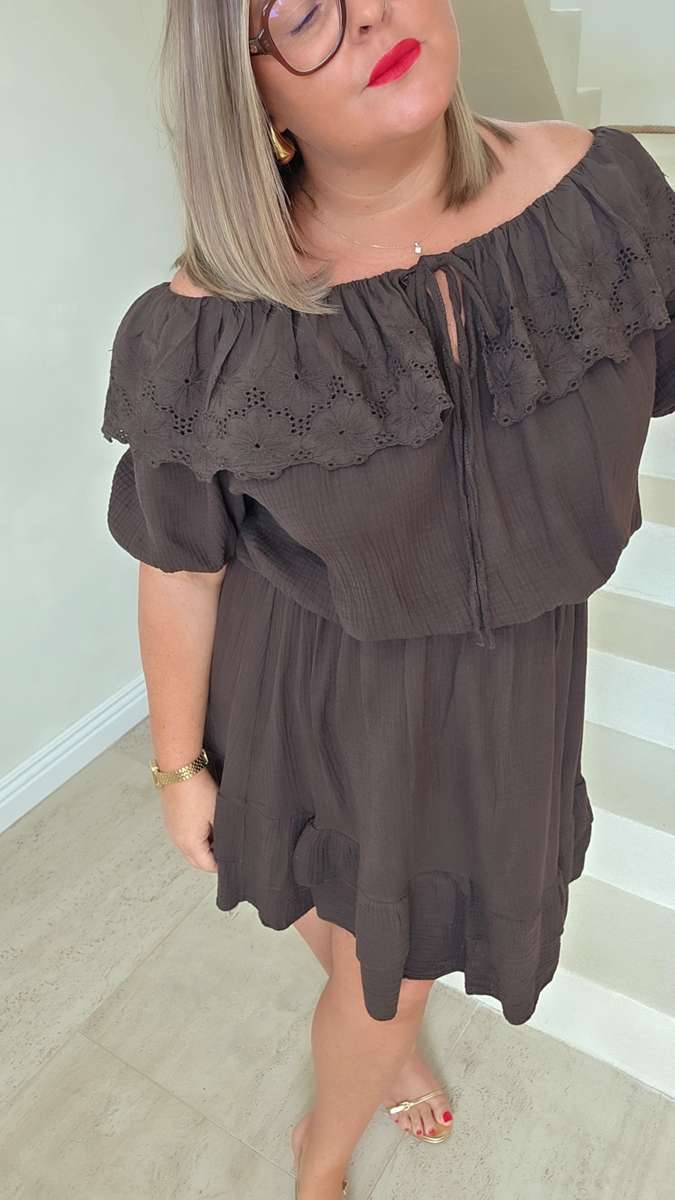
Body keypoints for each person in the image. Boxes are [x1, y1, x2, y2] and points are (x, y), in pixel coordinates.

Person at [101, 2, 675, 1197]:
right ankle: (320, 1161)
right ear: (251, 93)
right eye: (301, 11)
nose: (365, 12)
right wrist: (176, 763)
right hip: (306, 680)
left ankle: (380, 1024)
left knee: (380, 939)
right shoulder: (206, 327)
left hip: (507, 694)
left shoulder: (608, 198)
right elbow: (180, 565)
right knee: (384, 966)